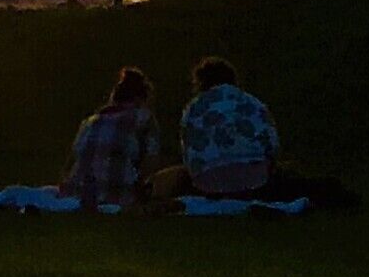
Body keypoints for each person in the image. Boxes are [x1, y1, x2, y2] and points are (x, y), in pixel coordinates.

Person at [146, 56, 279, 204]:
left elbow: (189, 154)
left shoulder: (194, 108)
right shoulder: (253, 103)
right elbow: (272, 144)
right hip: (255, 179)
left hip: (209, 183)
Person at [63, 66, 158, 210]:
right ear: (140, 98)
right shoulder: (144, 118)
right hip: (118, 195)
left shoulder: (91, 121)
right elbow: (151, 164)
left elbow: (71, 163)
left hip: (77, 193)